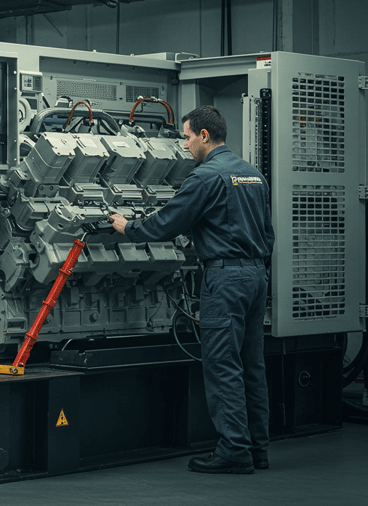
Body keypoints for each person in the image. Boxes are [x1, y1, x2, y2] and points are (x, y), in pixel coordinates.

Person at [108, 105, 275, 474]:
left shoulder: (205, 178)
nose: (183, 145)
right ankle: (257, 449)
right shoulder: (254, 175)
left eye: (185, 137)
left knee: (222, 366)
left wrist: (127, 227)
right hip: (255, 275)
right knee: (252, 365)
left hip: (225, 280)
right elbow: (267, 233)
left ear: (203, 136)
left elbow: (166, 224)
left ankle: (234, 451)